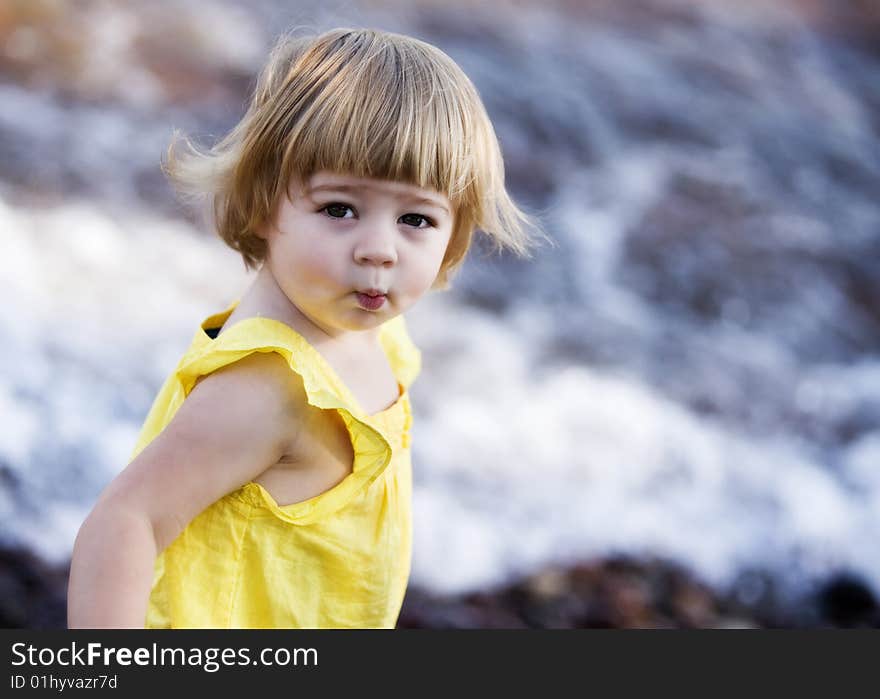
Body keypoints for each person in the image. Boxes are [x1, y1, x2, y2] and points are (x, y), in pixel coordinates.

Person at [67, 26, 547, 628]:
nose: (379, 250)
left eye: (416, 219)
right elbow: (125, 523)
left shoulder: (368, 331)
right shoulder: (269, 387)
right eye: (339, 209)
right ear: (263, 202)